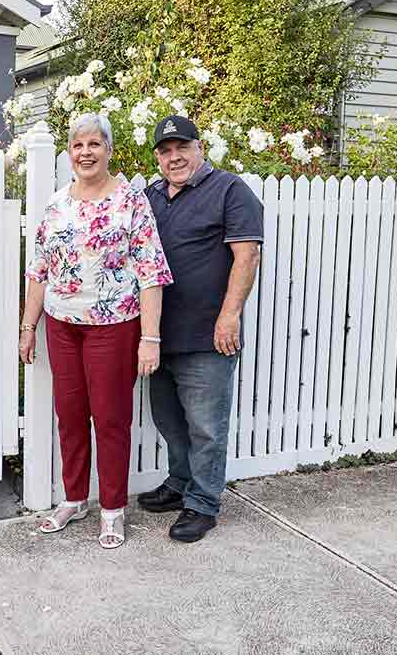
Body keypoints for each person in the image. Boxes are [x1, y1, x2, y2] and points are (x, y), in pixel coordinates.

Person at [18, 113, 173, 549]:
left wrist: (150, 337)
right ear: (69, 153)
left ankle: (112, 509)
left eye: (94, 144)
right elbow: (39, 270)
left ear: (108, 150)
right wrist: (29, 327)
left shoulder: (131, 201)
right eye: (78, 145)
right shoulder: (55, 204)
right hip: (63, 327)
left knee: (110, 419)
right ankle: (73, 499)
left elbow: (151, 272)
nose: (85, 152)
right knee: (69, 415)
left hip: (114, 328)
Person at [137, 115, 263, 543]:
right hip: (158, 336)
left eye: (181, 148)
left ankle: (203, 503)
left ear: (199, 147)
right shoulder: (151, 196)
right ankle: (179, 483)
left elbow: (246, 258)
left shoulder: (230, 191)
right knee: (170, 421)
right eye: (165, 150)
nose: (174, 157)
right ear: (157, 156)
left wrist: (229, 316)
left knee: (206, 427)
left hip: (207, 336)